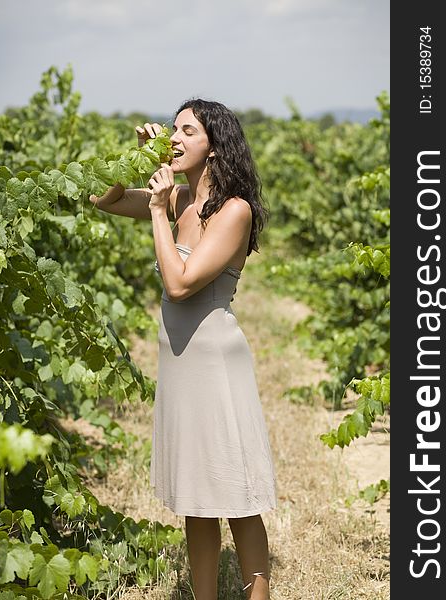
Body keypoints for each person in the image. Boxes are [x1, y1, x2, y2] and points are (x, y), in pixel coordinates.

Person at [90, 99, 277, 600]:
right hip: (180, 364)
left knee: (237, 497)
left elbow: (180, 284)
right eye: (172, 129)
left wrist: (155, 210)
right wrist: (136, 161)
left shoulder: (233, 211)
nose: (174, 137)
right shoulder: (180, 203)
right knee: (197, 496)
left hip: (216, 364)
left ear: (213, 148)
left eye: (186, 131)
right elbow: (103, 201)